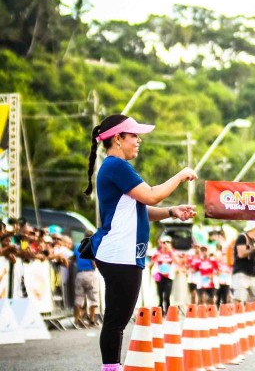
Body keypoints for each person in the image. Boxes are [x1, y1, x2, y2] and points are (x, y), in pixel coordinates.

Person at [83, 114, 196, 371]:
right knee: (116, 319)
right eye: (133, 135)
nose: (139, 140)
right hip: (118, 253)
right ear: (118, 139)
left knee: (118, 318)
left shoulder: (117, 167)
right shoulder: (116, 166)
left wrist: (172, 211)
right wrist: (180, 175)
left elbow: (141, 210)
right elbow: (152, 195)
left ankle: (112, 366)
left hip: (122, 252)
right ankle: (111, 368)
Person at [232, 221, 255, 303]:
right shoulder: (242, 237)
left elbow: (253, 258)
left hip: (252, 272)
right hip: (241, 272)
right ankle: (237, 314)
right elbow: (241, 254)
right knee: (239, 298)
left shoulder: (253, 241)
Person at [73, 231, 99, 328]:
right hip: (90, 274)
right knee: (93, 298)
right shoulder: (92, 246)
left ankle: (76, 320)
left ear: (84, 236)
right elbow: (94, 263)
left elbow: (74, 257)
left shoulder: (77, 247)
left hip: (79, 274)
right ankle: (92, 320)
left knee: (78, 297)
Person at [151, 236, 177, 314]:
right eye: (164, 243)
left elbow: (177, 261)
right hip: (159, 276)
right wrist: (159, 254)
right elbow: (152, 263)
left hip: (169, 277)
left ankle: (168, 312)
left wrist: (170, 251)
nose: (165, 244)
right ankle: (160, 312)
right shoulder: (157, 252)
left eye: (167, 242)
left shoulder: (173, 252)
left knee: (167, 295)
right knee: (160, 295)